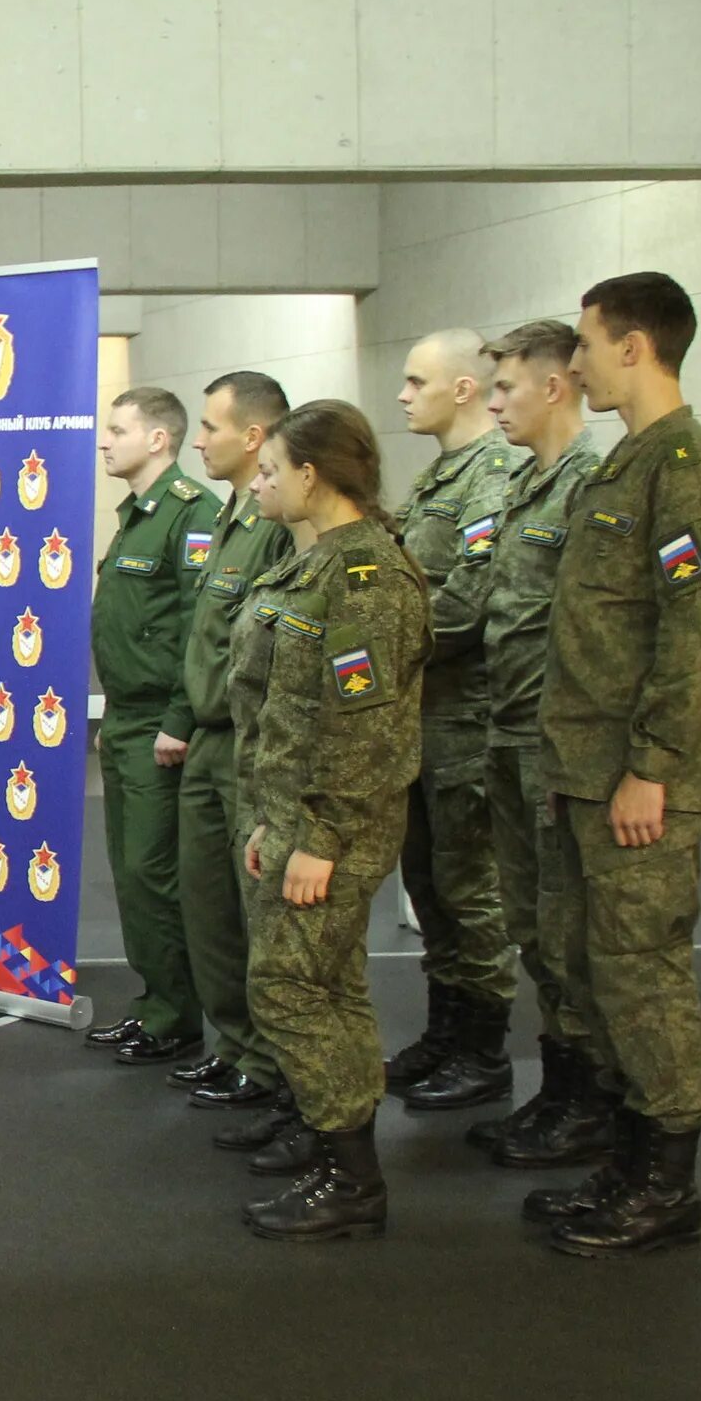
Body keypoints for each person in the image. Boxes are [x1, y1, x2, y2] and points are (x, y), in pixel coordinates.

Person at [524, 273, 701, 1258]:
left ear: (636, 346)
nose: (573, 361)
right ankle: (623, 1158)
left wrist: (653, 764)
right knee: (591, 967)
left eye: (586, 342)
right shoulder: (625, 465)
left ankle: (667, 1181)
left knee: (644, 974)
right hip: (580, 768)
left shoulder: (689, 467)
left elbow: (700, 633)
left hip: (635, 777)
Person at [231, 401, 428, 1241]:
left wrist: (319, 837)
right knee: (331, 985)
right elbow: (282, 709)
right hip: (290, 815)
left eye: (273, 468)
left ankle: (352, 1179)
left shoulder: (366, 581)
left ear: (313, 476)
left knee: (286, 989)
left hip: (330, 826)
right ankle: (335, 1152)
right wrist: (272, 822)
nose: (263, 482)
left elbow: (365, 728)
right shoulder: (313, 567)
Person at [450, 321, 613, 1170]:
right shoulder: (520, 484)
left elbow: (591, 633)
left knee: (564, 927)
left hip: (554, 742)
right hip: (504, 730)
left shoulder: (591, 483)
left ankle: (587, 1099)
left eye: (508, 388)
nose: (497, 403)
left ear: (555, 388)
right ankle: (557, 1089)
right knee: (527, 921)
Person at [385, 330, 528, 1109]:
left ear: (464, 389)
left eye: (416, 381)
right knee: (429, 884)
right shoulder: (440, 475)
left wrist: (379, 646)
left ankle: (484, 1049)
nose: (404, 395)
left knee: (472, 888)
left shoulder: (494, 476)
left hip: (463, 719)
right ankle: (445, 1033)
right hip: (420, 714)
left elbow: (469, 602)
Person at [154, 371, 299, 1135]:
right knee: (208, 910)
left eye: (210, 427)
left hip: (247, 743)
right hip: (208, 738)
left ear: (252, 437)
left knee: (256, 917)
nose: (197, 440)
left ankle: (271, 1063)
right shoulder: (234, 516)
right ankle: (236, 1044)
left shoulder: (278, 521)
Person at [82, 388, 209, 1065]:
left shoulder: (190, 514)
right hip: (128, 716)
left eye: (117, 430)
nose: (105, 441)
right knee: (131, 875)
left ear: (158, 439)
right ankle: (158, 1004)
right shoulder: (138, 516)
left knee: (151, 870)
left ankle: (178, 1013)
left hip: (161, 722)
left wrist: (177, 719)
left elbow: (201, 628)